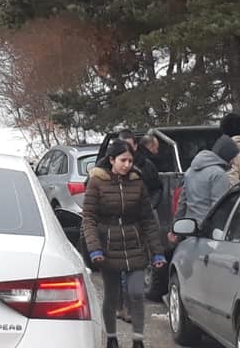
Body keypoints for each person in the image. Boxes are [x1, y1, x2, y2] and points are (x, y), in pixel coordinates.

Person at [83, 139, 165, 348]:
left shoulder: (137, 182)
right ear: (112, 160)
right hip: (108, 246)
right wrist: (94, 248)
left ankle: (138, 339)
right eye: (123, 160)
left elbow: (148, 219)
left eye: (130, 160)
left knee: (136, 293)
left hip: (134, 244)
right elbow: (89, 218)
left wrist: (157, 251)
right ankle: (111, 337)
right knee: (112, 296)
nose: (127, 165)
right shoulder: (97, 182)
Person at [171, 135, 240, 241]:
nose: (234, 161)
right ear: (226, 155)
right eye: (233, 157)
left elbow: (182, 202)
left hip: (189, 230)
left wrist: (175, 228)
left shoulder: (190, 171)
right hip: (208, 233)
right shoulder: (219, 175)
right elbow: (219, 207)